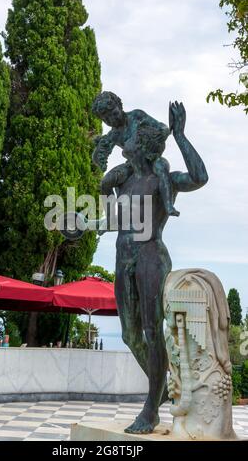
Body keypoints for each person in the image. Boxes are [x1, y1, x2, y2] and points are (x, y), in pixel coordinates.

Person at [92, 95, 208, 434]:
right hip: (123, 256)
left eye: (133, 146)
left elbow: (200, 178)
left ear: (144, 145)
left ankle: (151, 408)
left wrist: (181, 135)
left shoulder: (164, 179)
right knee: (129, 334)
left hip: (150, 257)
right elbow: (113, 220)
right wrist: (78, 225)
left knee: (152, 332)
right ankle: (161, 390)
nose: (128, 150)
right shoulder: (124, 182)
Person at [92, 92, 180, 222]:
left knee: (162, 168)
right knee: (106, 182)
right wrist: (100, 152)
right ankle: (110, 218)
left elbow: (162, 127)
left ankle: (168, 205)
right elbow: (99, 154)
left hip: (151, 158)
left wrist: (161, 133)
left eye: (114, 114)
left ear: (119, 106)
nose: (112, 120)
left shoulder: (136, 116)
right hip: (132, 165)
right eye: (106, 120)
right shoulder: (113, 134)